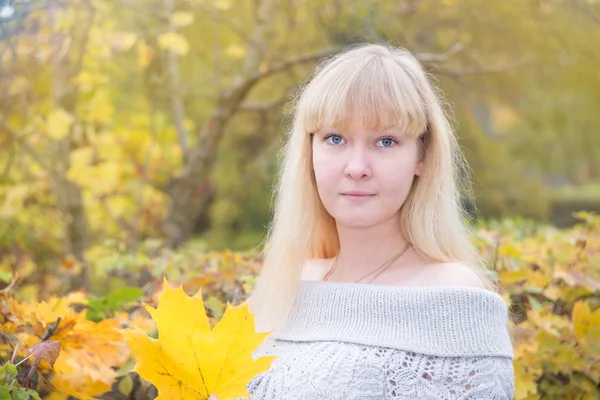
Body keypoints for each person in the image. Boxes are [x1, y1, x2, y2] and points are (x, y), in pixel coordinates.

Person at [237, 43, 515, 399]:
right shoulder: (286, 283)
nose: (356, 168)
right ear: (309, 152)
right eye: (334, 138)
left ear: (422, 157)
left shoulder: (453, 297)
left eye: (385, 141)